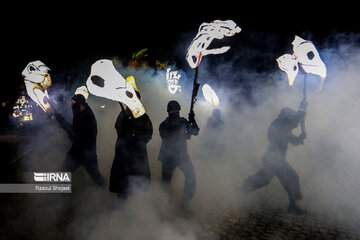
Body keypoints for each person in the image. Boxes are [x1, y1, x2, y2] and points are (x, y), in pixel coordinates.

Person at [240, 107, 307, 215]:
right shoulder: (277, 124)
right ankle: (241, 190)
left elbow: (294, 141)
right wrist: (299, 116)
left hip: (277, 159)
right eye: (289, 117)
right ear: (285, 117)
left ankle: (241, 190)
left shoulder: (286, 128)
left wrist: (301, 137)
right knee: (287, 178)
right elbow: (290, 125)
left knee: (281, 179)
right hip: (273, 158)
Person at [158, 100, 200, 215]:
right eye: (173, 110)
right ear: (169, 112)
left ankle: (184, 204)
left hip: (181, 156)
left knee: (191, 178)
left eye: (176, 111)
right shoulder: (165, 125)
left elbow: (195, 132)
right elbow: (171, 136)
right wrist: (187, 128)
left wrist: (192, 119)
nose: (175, 113)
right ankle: (161, 207)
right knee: (165, 183)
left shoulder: (181, 122)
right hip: (169, 157)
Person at [54, 94, 105, 186]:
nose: (72, 106)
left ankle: (107, 193)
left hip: (84, 153)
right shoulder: (81, 113)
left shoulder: (87, 117)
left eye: (74, 104)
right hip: (80, 152)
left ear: (80, 104)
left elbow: (75, 134)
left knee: (96, 177)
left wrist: (61, 120)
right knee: (63, 174)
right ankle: (61, 196)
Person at [109, 104, 153, 200]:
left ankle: (137, 202)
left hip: (138, 153)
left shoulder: (143, 116)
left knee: (138, 177)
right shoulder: (123, 114)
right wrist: (127, 130)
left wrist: (137, 135)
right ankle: (122, 202)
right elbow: (118, 127)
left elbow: (148, 134)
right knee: (122, 178)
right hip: (124, 152)